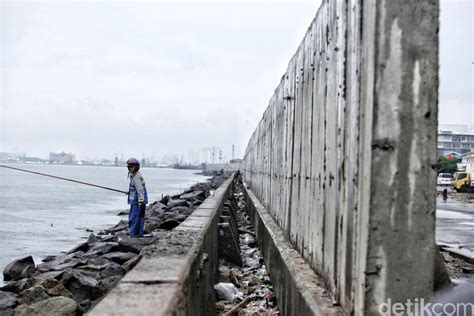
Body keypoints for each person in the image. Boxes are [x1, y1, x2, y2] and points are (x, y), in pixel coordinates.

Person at [126, 158, 148, 238]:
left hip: (137, 202)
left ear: (136, 167)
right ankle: (138, 234)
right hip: (137, 200)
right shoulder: (135, 175)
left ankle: (134, 235)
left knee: (134, 218)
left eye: (131, 167)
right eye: (129, 167)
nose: (130, 168)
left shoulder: (136, 177)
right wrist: (130, 192)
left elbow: (140, 190)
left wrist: (140, 201)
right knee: (139, 217)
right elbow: (136, 188)